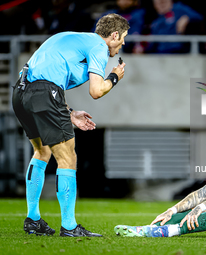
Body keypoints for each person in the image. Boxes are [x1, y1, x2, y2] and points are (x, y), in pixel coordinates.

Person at [12, 13, 130, 237]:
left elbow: (47, 76)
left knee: (42, 151)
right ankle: (69, 226)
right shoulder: (98, 46)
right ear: (114, 35)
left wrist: (70, 113)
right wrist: (114, 77)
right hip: (44, 93)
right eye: (123, 37)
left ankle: (33, 219)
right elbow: (96, 91)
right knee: (68, 158)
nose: (123, 43)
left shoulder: (74, 38)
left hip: (21, 92)